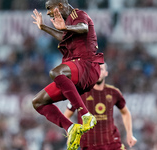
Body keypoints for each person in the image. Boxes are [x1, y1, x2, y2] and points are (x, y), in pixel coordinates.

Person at [31, 0, 104, 149]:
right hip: (75, 70)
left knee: (56, 72)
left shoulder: (78, 14)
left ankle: (85, 115)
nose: (48, 13)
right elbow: (64, 36)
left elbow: (83, 28)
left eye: (50, 8)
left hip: (87, 66)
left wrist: (66, 27)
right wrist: (43, 27)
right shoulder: (69, 22)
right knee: (37, 102)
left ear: (61, 5)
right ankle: (71, 128)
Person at [64, 63, 137, 150]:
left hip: (112, 143)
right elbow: (66, 116)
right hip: (89, 145)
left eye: (101, 69)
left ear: (106, 73)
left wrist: (129, 134)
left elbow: (125, 113)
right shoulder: (80, 94)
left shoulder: (114, 92)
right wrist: (72, 134)